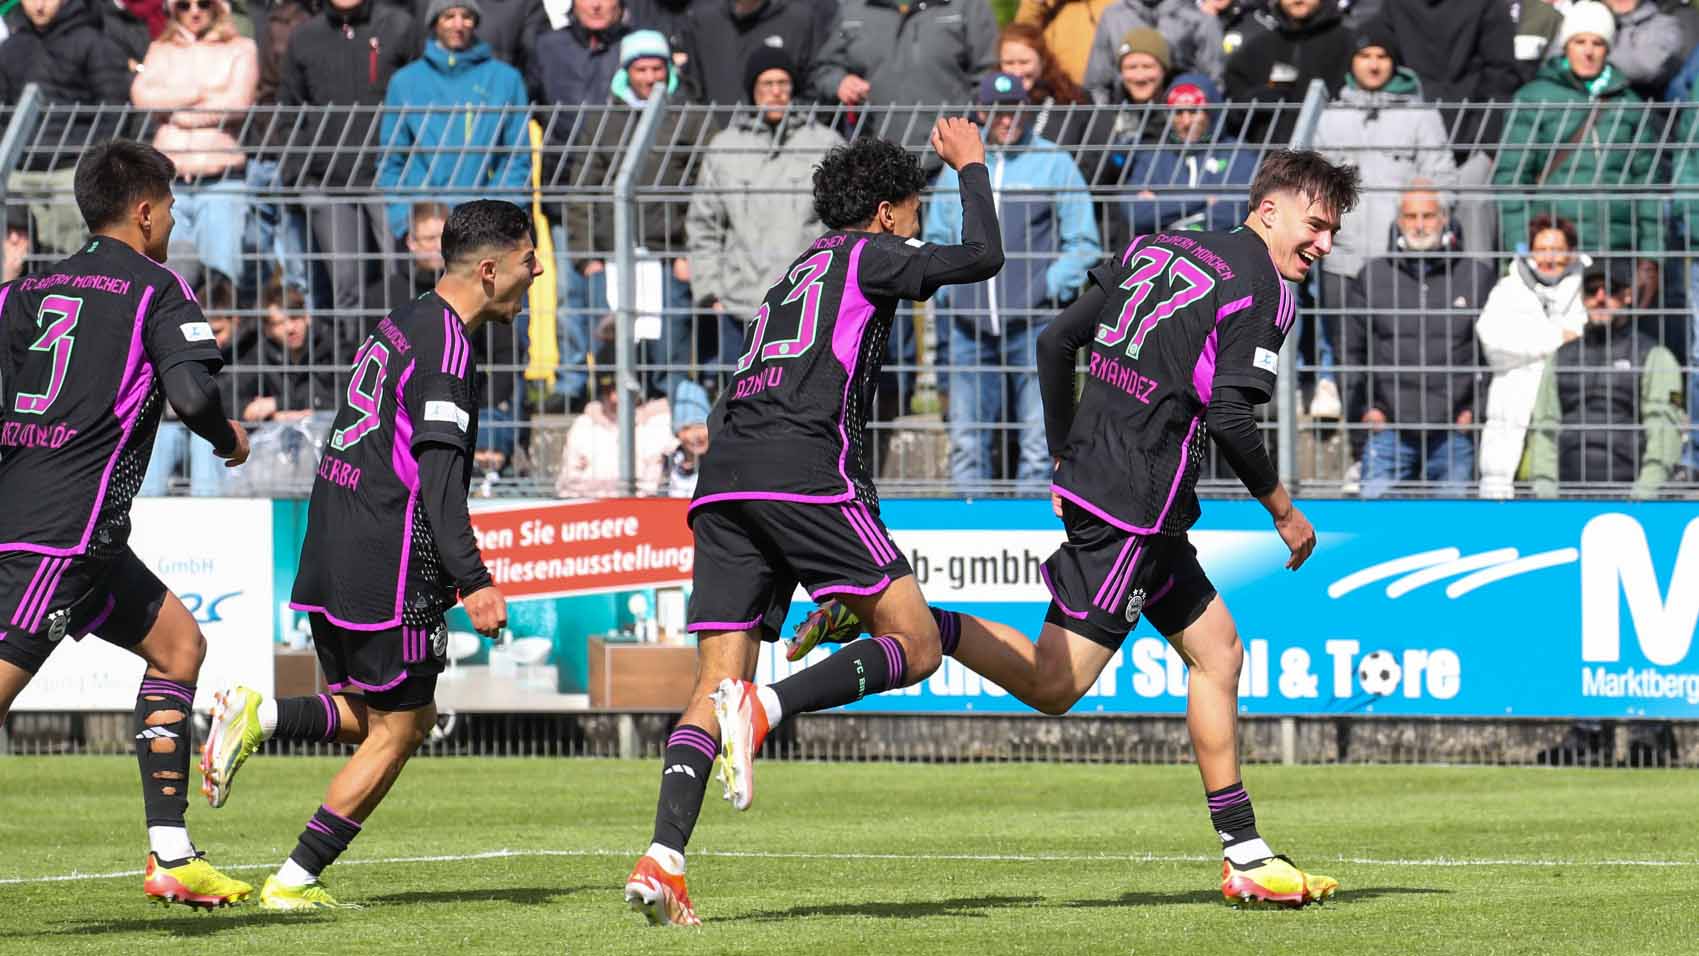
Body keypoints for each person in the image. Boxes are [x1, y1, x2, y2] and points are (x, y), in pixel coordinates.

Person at [783, 149, 1356, 908]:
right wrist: (1282, 510)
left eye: (1332, 234)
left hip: (1116, 488)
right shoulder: (1263, 289)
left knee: (1217, 651)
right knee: (1056, 686)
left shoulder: (1161, 243)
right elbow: (1227, 415)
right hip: (1135, 504)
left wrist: (1062, 453)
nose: (1320, 244)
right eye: (1315, 225)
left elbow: (1056, 342)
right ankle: (906, 622)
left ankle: (1245, 854)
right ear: (1270, 209)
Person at [622, 118, 1004, 927]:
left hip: (725, 475)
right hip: (801, 468)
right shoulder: (870, 254)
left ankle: (663, 860)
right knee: (919, 643)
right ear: (883, 213)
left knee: (711, 683)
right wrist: (971, 168)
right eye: (912, 209)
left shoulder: (801, 268)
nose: (917, 226)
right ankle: (766, 712)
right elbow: (982, 258)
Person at [198, 200, 541, 909]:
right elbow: (440, 482)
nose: (536, 269)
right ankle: (295, 879)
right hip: (389, 559)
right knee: (406, 726)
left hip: (331, 542)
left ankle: (258, 717)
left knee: (371, 710)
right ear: (488, 269)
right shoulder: (448, 348)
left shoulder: (404, 321)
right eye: (526, 257)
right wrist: (473, 580)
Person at [0, 139, 251, 907]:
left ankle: (171, 855)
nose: (173, 220)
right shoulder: (159, 290)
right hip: (60, 533)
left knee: (180, 646)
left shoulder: (24, 292)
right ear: (144, 212)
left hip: (71, 530)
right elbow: (196, 397)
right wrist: (226, 438)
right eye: (170, 207)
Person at [928, 73, 1101, 489]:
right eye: (997, 112)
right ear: (980, 112)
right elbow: (935, 240)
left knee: (1038, 445)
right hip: (968, 329)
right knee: (967, 443)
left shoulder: (1054, 163)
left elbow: (1083, 242)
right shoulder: (956, 168)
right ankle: (967, 538)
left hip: (1034, 328)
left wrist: (1045, 288)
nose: (1007, 120)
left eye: (1016, 110)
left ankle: (1036, 536)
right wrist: (954, 292)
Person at [1312, 23, 1456, 420]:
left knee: (1395, 352)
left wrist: (1419, 226)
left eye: (1382, 56)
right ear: (1352, 63)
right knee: (1348, 352)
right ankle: (1359, 446)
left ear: (1395, 64)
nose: (1373, 65)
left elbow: (1442, 179)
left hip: (1399, 260)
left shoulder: (1420, 117)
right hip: (1342, 257)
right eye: (1365, 56)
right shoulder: (1330, 118)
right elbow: (1307, 183)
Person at [564, 29, 707, 401]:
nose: (649, 78)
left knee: (668, 359)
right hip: (613, 257)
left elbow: (705, 192)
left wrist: (689, 252)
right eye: (640, 69)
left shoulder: (690, 119)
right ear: (626, 72)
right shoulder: (602, 120)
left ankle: (668, 431)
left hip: (668, 255)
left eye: (656, 68)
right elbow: (582, 191)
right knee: (616, 356)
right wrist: (586, 257)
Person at [686, 47, 845, 375]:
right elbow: (705, 226)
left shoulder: (824, 143)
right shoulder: (725, 148)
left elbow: (843, 224)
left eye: (783, 83)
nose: (776, 92)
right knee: (741, 406)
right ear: (752, 90)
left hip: (808, 304)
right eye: (766, 84)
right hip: (740, 302)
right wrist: (710, 292)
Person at [1493, 1, 1663, 305]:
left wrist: (1651, 258)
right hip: (1553, 252)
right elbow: (1511, 180)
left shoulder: (1631, 106)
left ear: (1608, 48)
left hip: (1616, 248)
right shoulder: (1533, 99)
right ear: (1566, 45)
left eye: (1597, 43)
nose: (1588, 51)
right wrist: (1520, 247)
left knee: (1614, 343)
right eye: (1579, 41)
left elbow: (1648, 187)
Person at [1342, 184, 1493, 497]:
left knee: (1453, 527)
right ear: (1399, 221)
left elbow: (1491, 355)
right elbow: (1351, 352)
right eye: (1411, 216)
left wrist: (1475, 411)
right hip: (1389, 427)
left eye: (1428, 215)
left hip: (1454, 428)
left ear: (1444, 219)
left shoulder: (1476, 276)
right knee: (1374, 519)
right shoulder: (1373, 276)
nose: (1420, 224)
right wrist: (1366, 411)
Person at [279, 0, 415, 314]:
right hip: (327, 183)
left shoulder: (398, 26)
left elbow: (419, 93)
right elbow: (288, 109)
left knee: (402, 281)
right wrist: (304, 170)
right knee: (345, 289)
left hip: (388, 180)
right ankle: (352, 361)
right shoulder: (304, 36)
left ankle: (408, 360)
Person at [129, 0, 258, 292]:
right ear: (173, 10)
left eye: (203, 3)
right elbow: (140, 95)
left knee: (222, 279)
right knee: (168, 280)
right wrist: (196, 94)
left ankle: (220, 337)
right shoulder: (160, 50)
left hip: (220, 181)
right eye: (185, 5)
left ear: (218, 7)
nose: (195, 11)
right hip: (170, 184)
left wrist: (172, 112)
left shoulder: (242, 48)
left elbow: (237, 104)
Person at [378, 0, 532, 244]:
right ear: (434, 22)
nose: (458, 24)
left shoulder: (505, 79)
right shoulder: (405, 82)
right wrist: (407, 223)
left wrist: (496, 217)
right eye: (448, 16)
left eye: (467, 16)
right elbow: (391, 162)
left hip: (487, 228)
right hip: (426, 227)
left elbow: (517, 160)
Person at [1528, 257, 1682, 497]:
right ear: (1583, 298)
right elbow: (1544, 428)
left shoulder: (1654, 357)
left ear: (1628, 295)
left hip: (1631, 499)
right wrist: (1547, 495)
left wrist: (1643, 496)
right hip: (1566, 499)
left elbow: (1664, 431)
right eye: (1592, 290)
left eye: (1611, 289)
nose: (1600, 297)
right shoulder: (1560, 357)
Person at [0, 0, 133, 257]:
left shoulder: (93, 43)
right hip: (19, 168)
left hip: (71, 169)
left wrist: (90, 161)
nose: (39, 5)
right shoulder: (10, 49)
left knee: (72, 253)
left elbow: (112, 109)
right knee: (13, 252)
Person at [1475, 215, 1587, 499]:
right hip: (1511, 405)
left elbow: (1588, 338)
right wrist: (1556, 338)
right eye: (1541, 248)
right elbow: (1493, 343)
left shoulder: (1587, 288)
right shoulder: (1508, 288)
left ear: (1571, 251)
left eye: (1557, 249)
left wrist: (1527, 341)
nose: (1548, 257)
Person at [810, 0, 998, 148]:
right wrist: (840, 82)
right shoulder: (852, 9)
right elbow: (824, 68)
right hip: (876, 156)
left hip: (947, 157)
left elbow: (988, 71)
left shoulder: (966, 5)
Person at [142, 276, 246, 495]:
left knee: (204, 441)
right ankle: (144, 507)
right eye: (207, 330)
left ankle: (206, 508)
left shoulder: (250, 352)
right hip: (187, 425)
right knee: (166, 436)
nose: (211, 339)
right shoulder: (190, 348)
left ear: (235, 322)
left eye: (218, 331)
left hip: (231, 435)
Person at [1123, 72, 1260, 234]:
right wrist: (1201, 200)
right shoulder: (1154, 156)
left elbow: (1234, 212)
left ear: (1211, 113)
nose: (1186, 121)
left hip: (1217, 253)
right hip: (1165, 252)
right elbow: (1136, 213)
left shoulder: (1238, 154)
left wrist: (1178, 229)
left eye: (1194, 111)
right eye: (1179, 113)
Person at [1223, 0, 1353, 145]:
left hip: (1331, 154)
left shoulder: (1350, 43)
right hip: (1270, 159)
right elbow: (1230, 114)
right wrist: (1252, 102)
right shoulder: (1256, 48)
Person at [677, 0, 828, 110]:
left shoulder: (800, 19)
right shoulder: (702, 19)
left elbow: (817, 87)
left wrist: (789, 121)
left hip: (784, 143)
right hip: (715, 143)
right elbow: (692, 88)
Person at [553, 370, 676, 496]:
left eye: (619, 390)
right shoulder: (584, 424)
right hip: (592, 505)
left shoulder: (656, 424)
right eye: (607, 390)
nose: (613, 398)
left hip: (641, 506)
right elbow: (567, 483)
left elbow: (653, 483)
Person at [236, 276, 342, 423]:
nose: (290, 328)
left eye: (295, 318)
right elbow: (234, 403)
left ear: (307, 316)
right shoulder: (260, 354)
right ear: (266, 329)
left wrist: (276, 404)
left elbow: (338, 401)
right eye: (279, 323)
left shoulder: (332, 345)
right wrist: (273, 417)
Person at [1083, 0, 1225, 92]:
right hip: (1126, 123)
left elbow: (1215, 83)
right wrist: (1108, 126)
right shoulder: (1113, 16)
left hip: (1181, 122)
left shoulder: (1201, 20)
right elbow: (1096, 84)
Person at [996, 22, 1096, 153]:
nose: (1017, 72)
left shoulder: (1074, 99)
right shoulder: (990, 103)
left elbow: (1095, 153)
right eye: (1009, 63)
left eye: (1024, 62)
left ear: (1042, 61)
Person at [1012, 0, 1117, 87]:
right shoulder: (1044, 5)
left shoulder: (1113, 5)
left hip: (1105, 94)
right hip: (1055, 91)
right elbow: (1022, 36)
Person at [1603, 0, 1686, 98]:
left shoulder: (1664, 24)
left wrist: (1599, 60)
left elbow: (1645, 68)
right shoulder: (1589, 20)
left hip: (1647, 106)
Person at [660, 378, 709, 497]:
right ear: (678, 433)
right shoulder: (669, 463)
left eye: (701, 425)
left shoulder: (719, 461)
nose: (696, 435)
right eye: (687, 428)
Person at [2, 206, 32, 282]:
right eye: (7, 231)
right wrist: (7, 278)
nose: (14, 239)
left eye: (20, 230)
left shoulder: (50, 264)